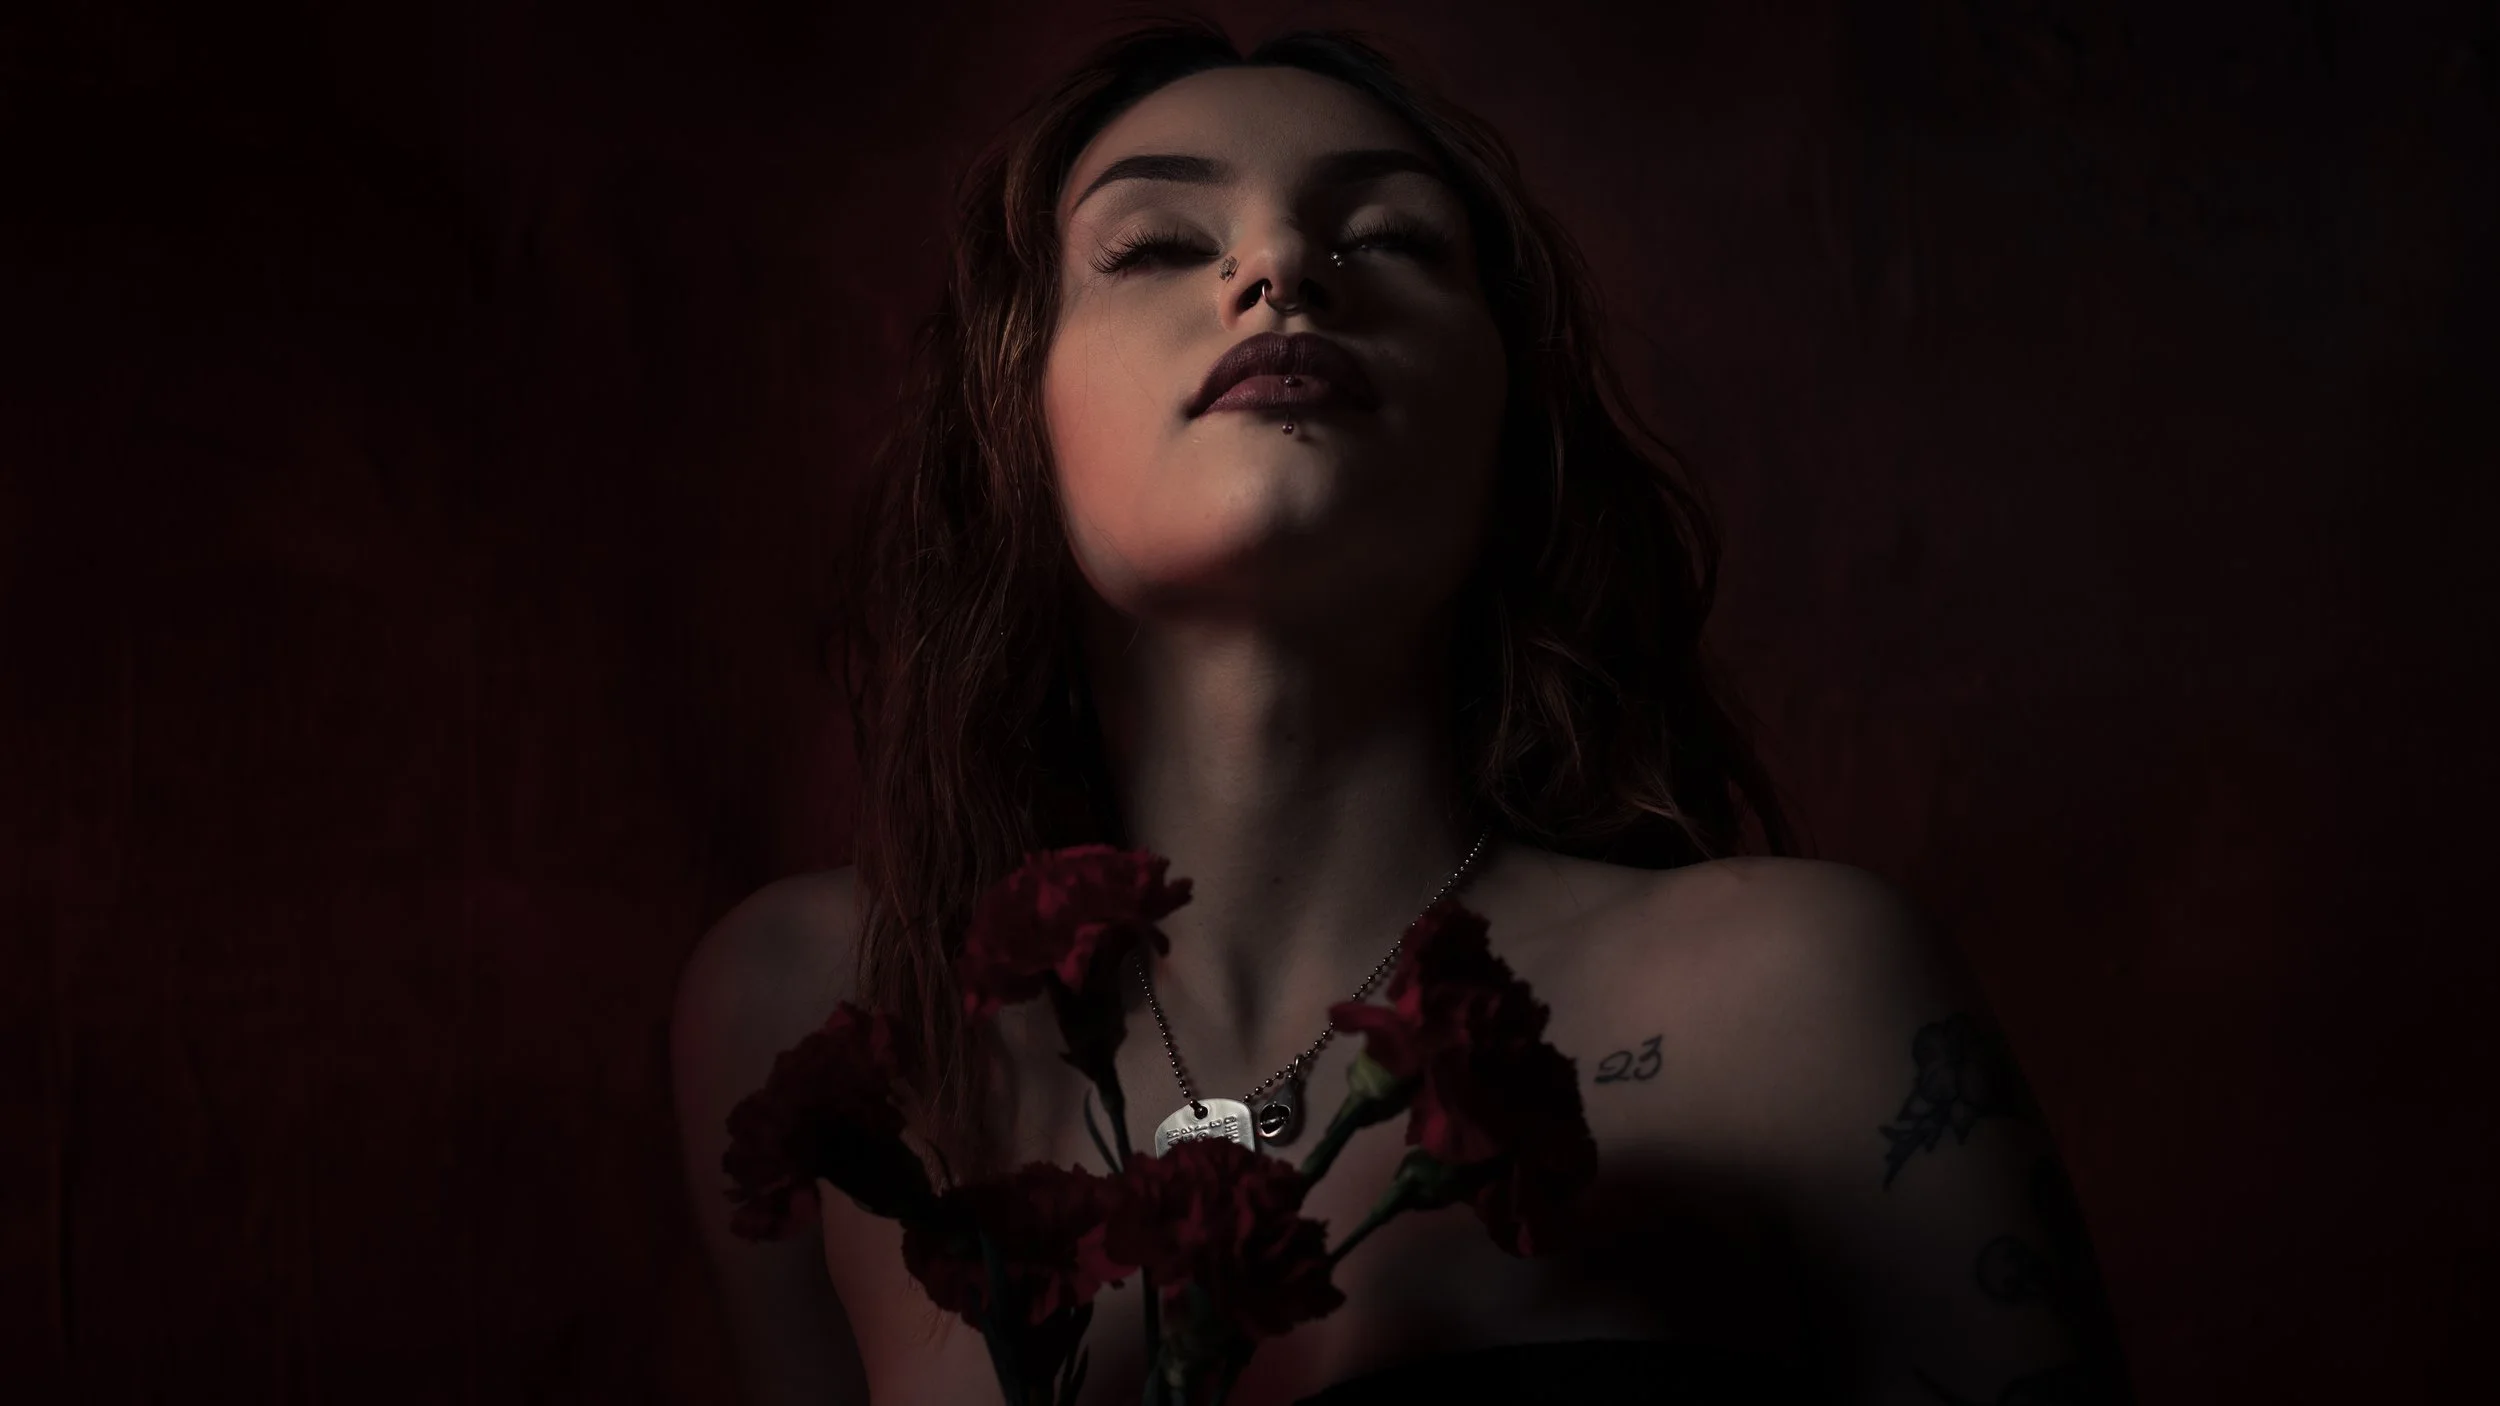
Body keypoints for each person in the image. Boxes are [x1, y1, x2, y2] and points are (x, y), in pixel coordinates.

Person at [672, 17, 2129, 1405]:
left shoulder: (1803, 998)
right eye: (1161, 243)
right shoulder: (820, 1024)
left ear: (1512, 422)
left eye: (1396, 243)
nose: (1280, 267)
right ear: (1012, 425)